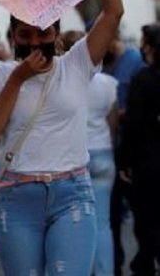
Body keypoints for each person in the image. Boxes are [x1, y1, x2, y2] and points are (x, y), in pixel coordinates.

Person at [0, 0, 123, 275]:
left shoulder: (76, 63)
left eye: (43, 33)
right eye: (25, 34)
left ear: (56, 34)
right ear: (14, 37)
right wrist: (18, 78)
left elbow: (113, 11)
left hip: (72, 194)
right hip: (17, 197)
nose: (34, 40)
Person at [62, 30, 119, 276]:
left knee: (74, 223)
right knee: (103, 222)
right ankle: (105, 271)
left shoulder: (63, 83)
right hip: (104, 151)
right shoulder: (109, 83)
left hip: (75, 156)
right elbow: (113, 121)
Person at [102, 29, 148, 275]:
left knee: (141, 212)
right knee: (111, 215)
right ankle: (115, 262)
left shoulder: (134, 63)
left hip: (131, 149)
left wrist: (123, 113)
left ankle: (143, 260)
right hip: (109, 148)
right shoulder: (102, 65)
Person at [118, 23, 160, 276]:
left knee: (147, 219)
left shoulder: (143, 80)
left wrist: (124, 161)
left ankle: (144, 262)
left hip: (148, 162)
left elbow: (133, 125)